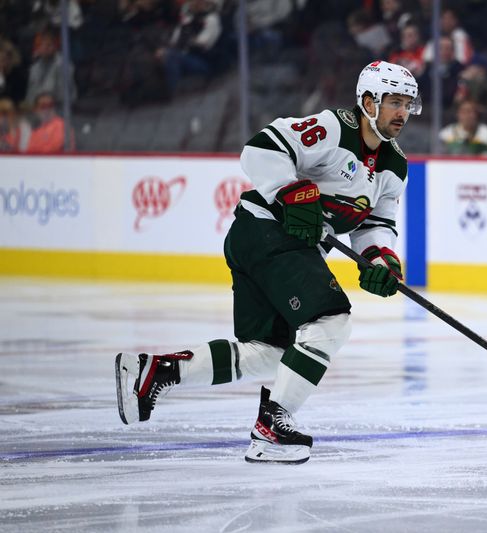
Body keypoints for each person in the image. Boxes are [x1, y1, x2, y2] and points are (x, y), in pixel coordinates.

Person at [115, 60, 421, 465]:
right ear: (368, 101)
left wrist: (380, 259)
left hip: (268, 242)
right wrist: (291, 190)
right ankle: (273, 426)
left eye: (408, 104)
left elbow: (376, 224)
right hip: (266, 232)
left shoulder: (394, 165)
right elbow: (260, 149)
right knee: (330, 322)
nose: (402, 112)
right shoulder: (332, 129)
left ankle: (154, 373)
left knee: (272, 351)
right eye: (394, 102)